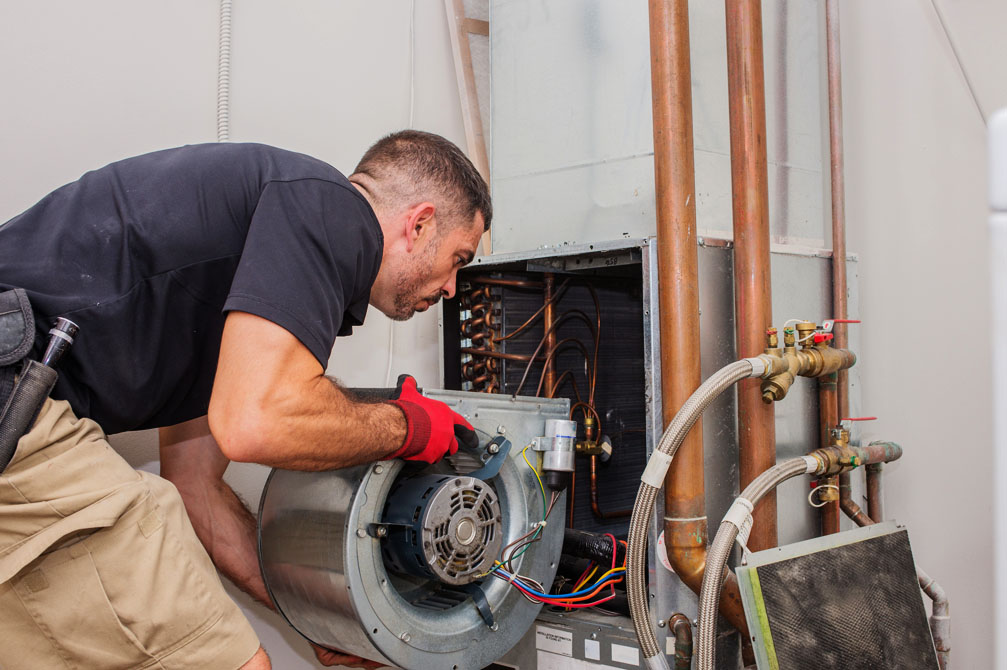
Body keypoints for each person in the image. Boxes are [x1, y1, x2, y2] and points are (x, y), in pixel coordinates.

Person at [0, 130, 490, 669]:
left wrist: (313, 619)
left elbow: (195, 489)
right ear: (418, 224)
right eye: (458, 258)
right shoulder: (330, 208)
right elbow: (256, 424)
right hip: (17, 397)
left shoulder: (250, 273)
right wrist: (411, 428)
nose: (451, 287)